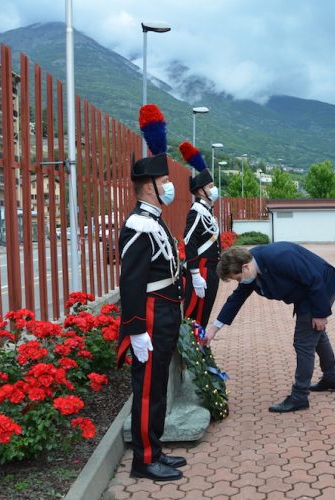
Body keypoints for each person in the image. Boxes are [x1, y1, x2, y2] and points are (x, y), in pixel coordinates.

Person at [115, 104, 186, 482]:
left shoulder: (153, 221)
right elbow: (132, 282)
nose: (169, 187)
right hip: (152, 315)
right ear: (150, 186)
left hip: (166, 311)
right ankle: (143, 460)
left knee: (157, 386)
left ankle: (154, 449)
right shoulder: (140, 226)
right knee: (147, 389)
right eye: (164, 182)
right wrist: (136, 330)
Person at [202, 243, 335, 413]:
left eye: (238, 278)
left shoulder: (279, 257)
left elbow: (314, 278)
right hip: (307, 293)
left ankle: (299, 396)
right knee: (316, 335)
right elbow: (236, 299)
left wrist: (320, 313)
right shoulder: (250, 268)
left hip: (320, 289)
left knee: (303, 343)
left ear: (245, 267)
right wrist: (214, 328)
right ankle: (331, 378)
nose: (240, 282)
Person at [178, 141, 221, 328]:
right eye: (210, 186)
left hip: (210, 270)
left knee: (204, 314)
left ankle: (200, 348)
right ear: (200, 191)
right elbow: (189, 241)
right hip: (202, 271)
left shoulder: (207, 212)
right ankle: (196, 350)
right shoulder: (197, 211)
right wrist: (195, 274)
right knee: (196, 316)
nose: (213, 189)